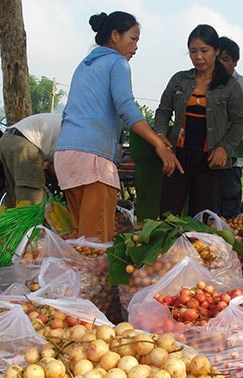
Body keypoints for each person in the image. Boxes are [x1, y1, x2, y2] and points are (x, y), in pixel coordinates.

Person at [54, 11, 182, 242]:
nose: (135, 47)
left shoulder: (85, 64)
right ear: (115, 35)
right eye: (132, 39)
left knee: (79, 238)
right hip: (93, 160)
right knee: (95, 244)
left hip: (66, 156)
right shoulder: (117, 62)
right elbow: (126, 107)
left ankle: (73, 278)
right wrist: (157, 144)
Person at [154, 24, 243, 218]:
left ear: (216, 51)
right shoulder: (180, 80)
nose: (198, 57)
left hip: (209, 162)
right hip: (177, 158)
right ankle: (167, 248)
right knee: (167, 216)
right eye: (193, 51)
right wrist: (161, 136)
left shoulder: (230, 86)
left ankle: (195, 249)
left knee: (201, 219)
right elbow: (163, 111)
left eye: (204, 51)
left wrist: (225, 148)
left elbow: (239, 122)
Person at [211, 36, 243, 218]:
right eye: (218, 59)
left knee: (229, 204)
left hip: (232, 157)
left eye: (226, 59)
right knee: (209, 205)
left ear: (235, 62)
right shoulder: (208, 81)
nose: (220, 64)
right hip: (209, 157)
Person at [0, 112, 62, 207]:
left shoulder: (70, 122)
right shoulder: (81, 135)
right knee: (31, 193)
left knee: (17, 194)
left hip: (7, 138)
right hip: (24, 143)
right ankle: (32, 222)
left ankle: (15, 220)